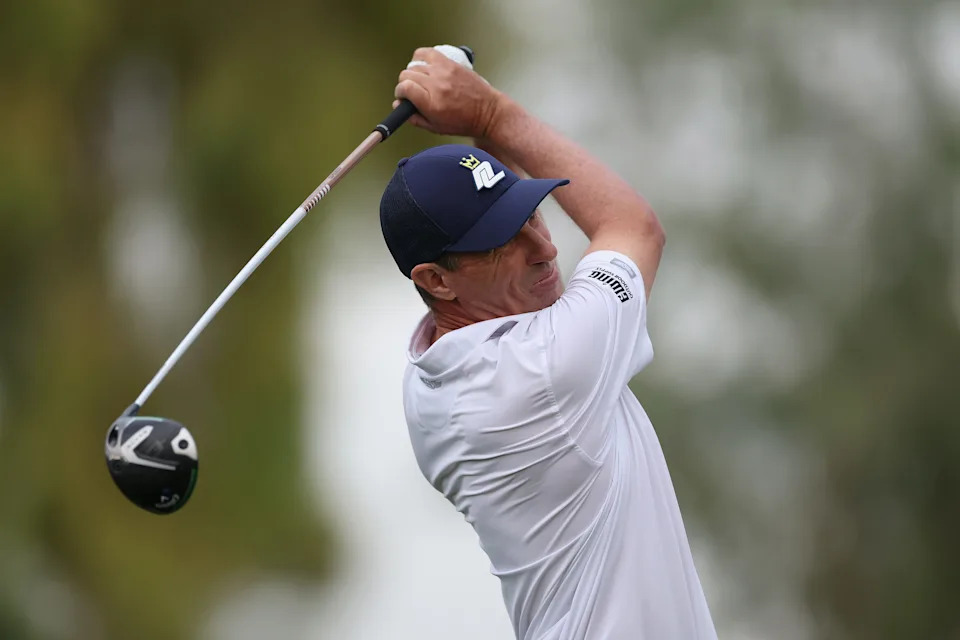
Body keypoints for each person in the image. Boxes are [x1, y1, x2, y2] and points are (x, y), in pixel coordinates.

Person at [378, 46, 717, 640]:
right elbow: (633, 228)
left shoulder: (430, 377)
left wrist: (486, 143)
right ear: (435, 280)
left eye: (531, 213)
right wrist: (488, 115)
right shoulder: (543, 374)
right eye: (502, 240)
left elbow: (520, 287)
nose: (547, 247)